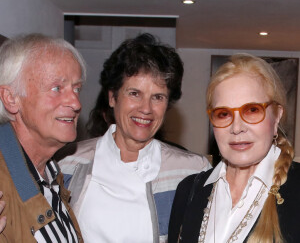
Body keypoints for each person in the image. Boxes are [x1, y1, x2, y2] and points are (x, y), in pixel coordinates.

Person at [58, 33, 211, 243]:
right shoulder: (66, 164)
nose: (146, 108)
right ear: (112, 97)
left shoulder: (193, 172)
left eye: (157, 97)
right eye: (134, 93)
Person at [168, 53, 300, 243]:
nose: (236, 128)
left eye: (252, 110)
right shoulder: (189, 191)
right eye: (223, 114)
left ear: (277, 116)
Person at [0, 34, 86, 242]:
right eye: (57, 88)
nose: (76, 103)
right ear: (11, 99)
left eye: (76, 89)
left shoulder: (52, 176)